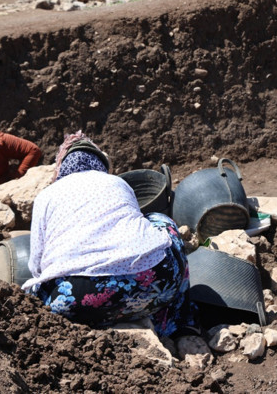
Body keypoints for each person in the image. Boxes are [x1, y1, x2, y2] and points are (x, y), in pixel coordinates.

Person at [23, 132, 195, 338]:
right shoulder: (117, 182)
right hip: (155, 282)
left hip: (74, 300)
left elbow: (36, 266)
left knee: (37, 294)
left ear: (62, 167)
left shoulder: (45, 196)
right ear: (100, 164)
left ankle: (93, 324)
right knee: (160, 220)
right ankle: (177, 322)